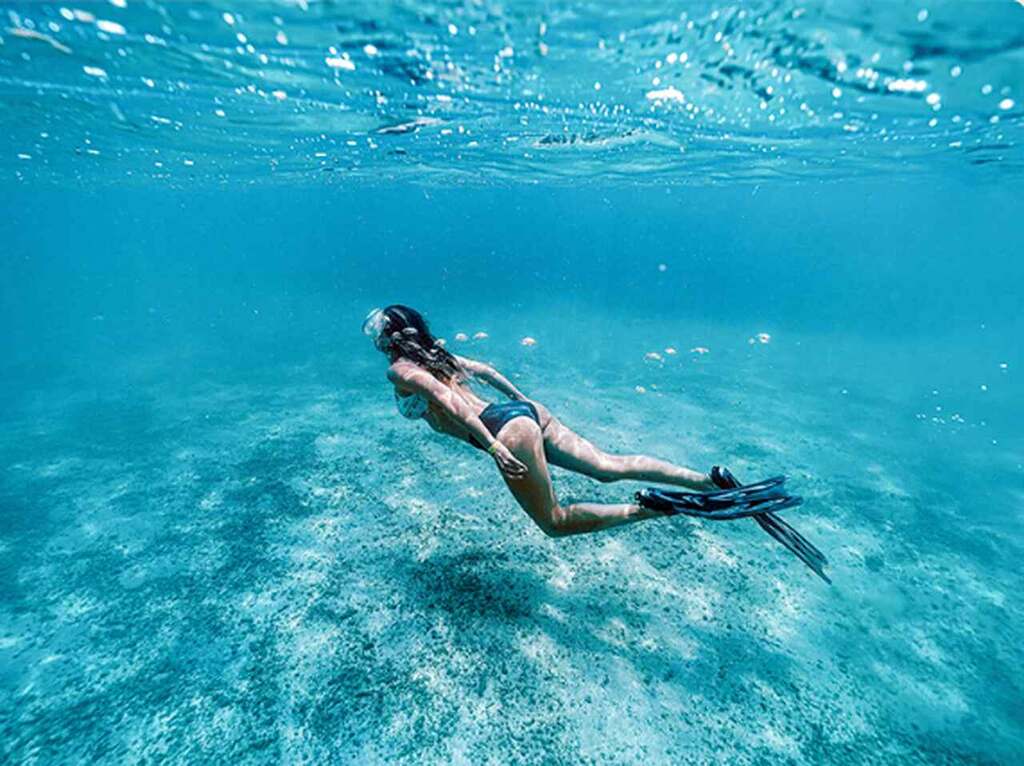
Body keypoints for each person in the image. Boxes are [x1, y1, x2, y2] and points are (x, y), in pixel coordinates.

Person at [363, 305, 828, 580]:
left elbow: (451, 402)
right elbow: (483, 371)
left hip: (504, 431)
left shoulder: (401, 370)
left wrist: (493, 446)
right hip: (525, 418)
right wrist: (524, 403)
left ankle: (658, 507)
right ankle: (710, 480)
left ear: (388, 339)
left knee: (556, 522)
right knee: (607, 465)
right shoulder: (439, 354)